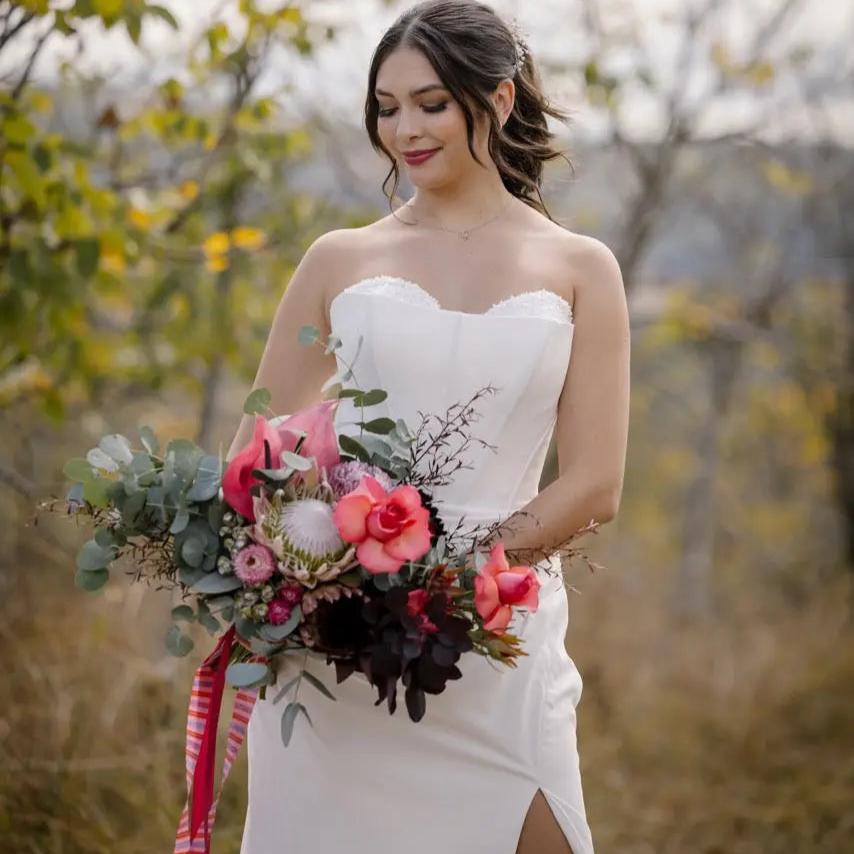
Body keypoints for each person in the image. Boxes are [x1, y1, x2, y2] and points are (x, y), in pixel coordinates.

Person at [228, 2, 630, 852]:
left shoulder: (581, 268)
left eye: (431, 103)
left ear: (500, 99)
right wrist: (328, 575)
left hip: (497, 634)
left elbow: (596, 484)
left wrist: (453, 585)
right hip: (339, 643)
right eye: (386, 106)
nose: (404, 128)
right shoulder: (338, 260)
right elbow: (254, 452)